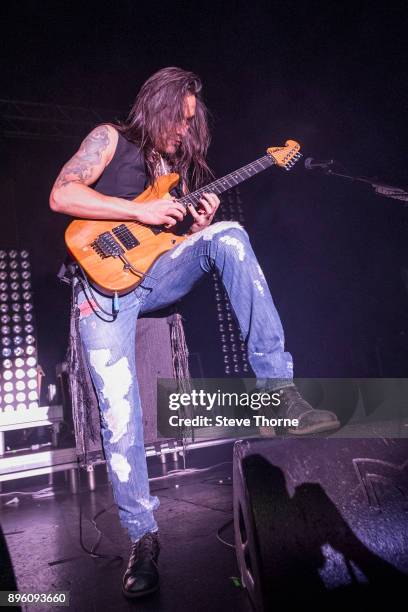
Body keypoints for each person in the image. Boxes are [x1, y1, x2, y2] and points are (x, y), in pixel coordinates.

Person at [49, 67, 340, 598]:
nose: (184, 131)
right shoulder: (108, 138)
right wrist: (143, 209)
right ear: (156, 106)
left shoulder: (176, 173)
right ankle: (143, 540)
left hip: (153, 278)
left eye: (190, 123)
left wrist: (195, 225)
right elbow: (62, 196)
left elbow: (163, 239)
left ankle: (280, 392)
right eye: (179, 119)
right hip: (98, 291)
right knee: (120, 416)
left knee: (228, 235)